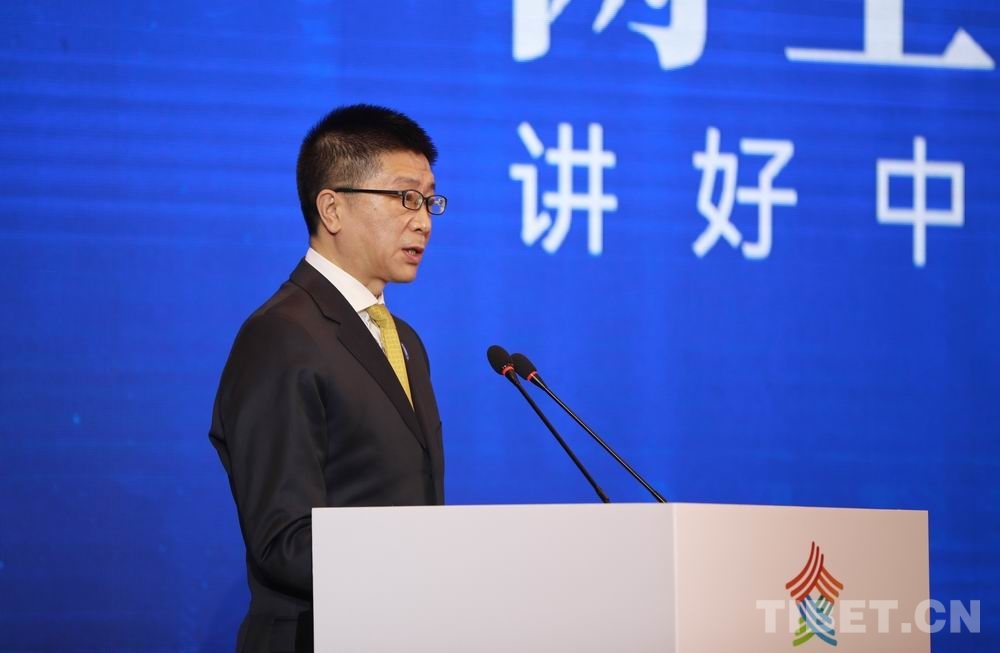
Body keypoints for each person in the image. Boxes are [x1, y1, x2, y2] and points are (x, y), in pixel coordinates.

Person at [208, 104, 446, 653]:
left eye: (429, 200)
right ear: (332, 208)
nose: (424, 221)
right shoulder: (279, 335)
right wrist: (428, 568)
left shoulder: (405, 341)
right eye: (405, 198)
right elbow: (284, 539)